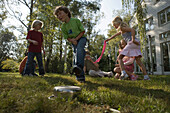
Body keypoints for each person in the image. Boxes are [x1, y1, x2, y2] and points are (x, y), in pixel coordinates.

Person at [106, 16, 150, 80]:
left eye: (114, 25)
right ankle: (146, 77)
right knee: (138, 61)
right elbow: (116, 35)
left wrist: (133, 40)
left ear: (117, 23)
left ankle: (124, 73)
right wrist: (109, 39)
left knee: (120, 57)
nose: (114, 26)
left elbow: (132, 29)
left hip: (132, 42)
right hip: (136, 44)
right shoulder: (122, 29)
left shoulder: (122, 28)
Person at [54, 6, 86, 82]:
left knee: (79, 49)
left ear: (67, 13)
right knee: (76, 55)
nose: (59, 16)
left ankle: (79, 67)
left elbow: (82, 31)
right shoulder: (63, 26)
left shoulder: (76, 21)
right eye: (57, 15)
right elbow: (66, 37)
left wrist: (76, 39)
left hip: (81, 38)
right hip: (73, 41)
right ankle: (79, 77)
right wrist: (72, 40)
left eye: (60, 13)